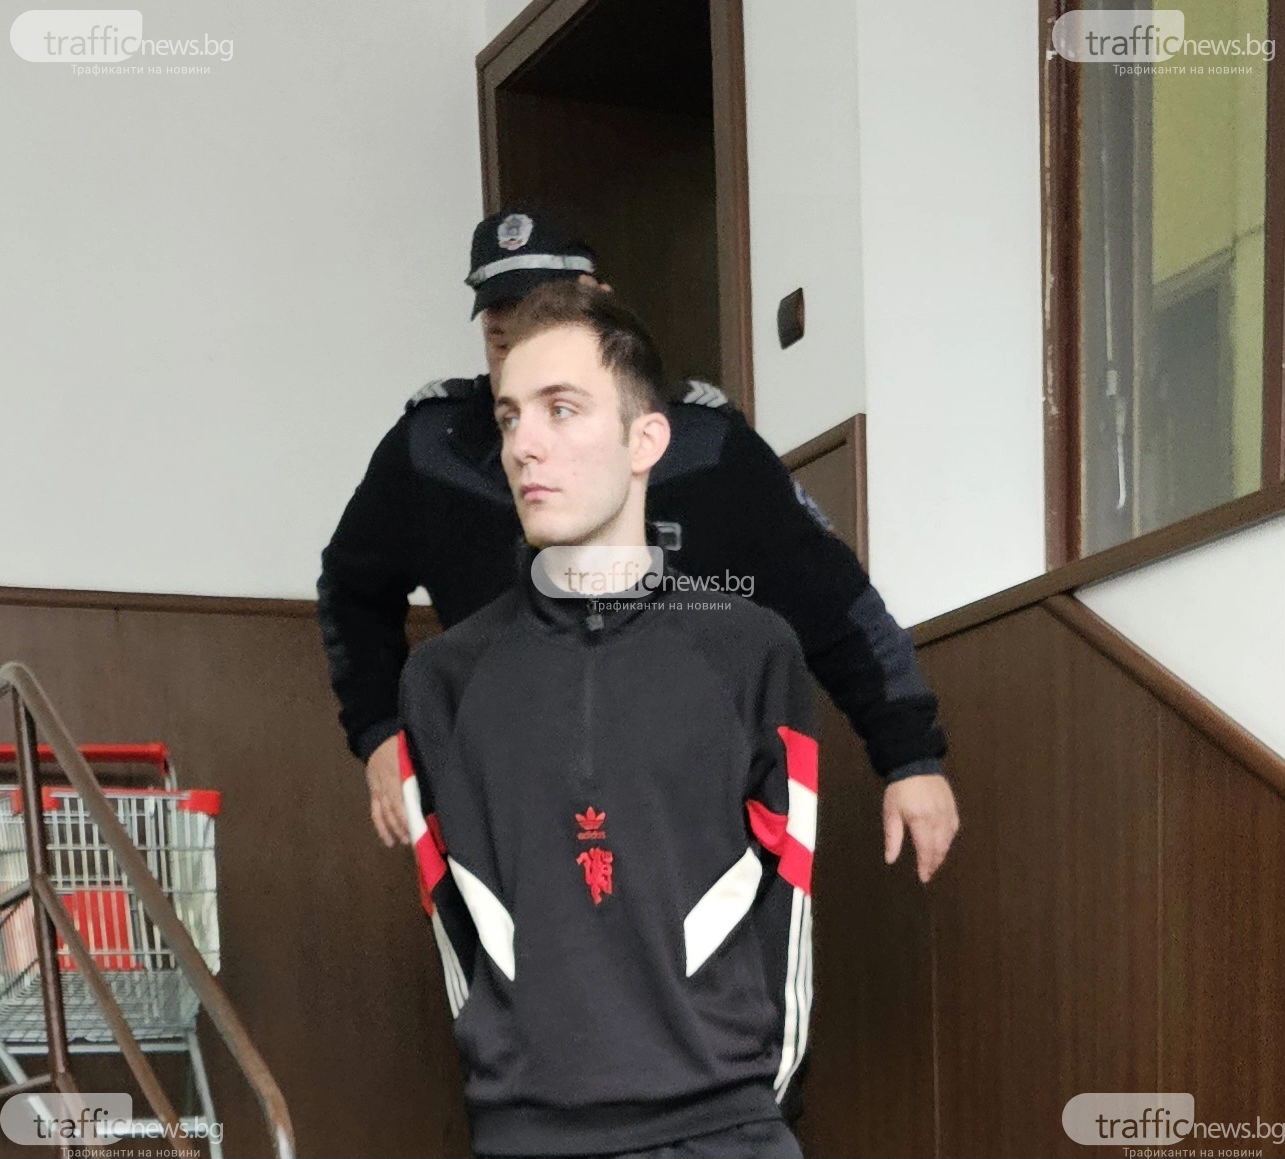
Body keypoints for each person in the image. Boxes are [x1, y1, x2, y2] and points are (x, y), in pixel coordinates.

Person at [317, 206, 959, 881]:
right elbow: (352, 589)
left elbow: (835, 603)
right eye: (501, 332)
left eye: (546, 313)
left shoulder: (707, 447)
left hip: (686, 807)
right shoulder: (433, 448)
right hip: (507, 804)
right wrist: (379, 730)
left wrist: (909, 755)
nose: (529, 444)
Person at [398, 281, 818, 1157]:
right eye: (510, 417)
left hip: (723, 1132)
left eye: (561, 409)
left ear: (644, 439)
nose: (524, 445)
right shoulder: (443, 680)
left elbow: (790, 905)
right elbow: (453, 919)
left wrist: (749, 1109)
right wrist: (509, 1094)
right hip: (527, 1135)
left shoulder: (750, 652)